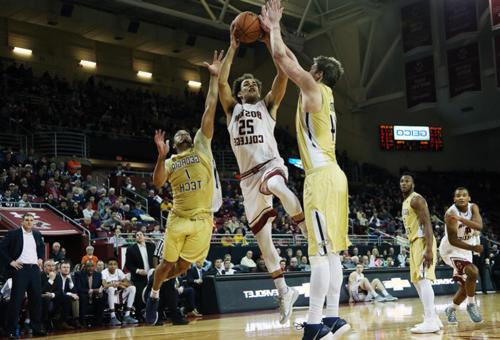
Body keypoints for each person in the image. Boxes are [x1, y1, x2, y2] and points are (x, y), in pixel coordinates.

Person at [260, 1, 350, 338]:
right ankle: (333, 317)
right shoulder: (324, 96)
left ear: (319, 74)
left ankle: (314, 324)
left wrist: (273, 27)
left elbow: (284, 61)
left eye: (310, 68)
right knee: (333, 253)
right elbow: (290, 61)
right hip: (336, 176)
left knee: (319, 255)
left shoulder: (313, 88)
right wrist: (275, 36)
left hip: (322, 179)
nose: (305, 70)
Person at [218, 8, 304, 325]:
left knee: (279, 186)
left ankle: (309, 232)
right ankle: (284, 292)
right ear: (241, 92)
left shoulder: (268, 106)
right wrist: (233, 45)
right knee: (264, 242)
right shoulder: (232, 109)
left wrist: (269, 39)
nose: (253, 84)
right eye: (248, 83)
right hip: (248, 181)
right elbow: (222, 82)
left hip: (271, 165)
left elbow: (283, 74)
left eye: (256, 82)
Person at [145, 50, 224, 324]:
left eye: (183, 132)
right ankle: (153, 295)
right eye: (176, 134)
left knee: (182, 266)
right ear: (174, 143)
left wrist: (214, 78)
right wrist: (159, 156)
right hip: (178, 218)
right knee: (166, 265)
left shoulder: (202, 144)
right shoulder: (170, 160)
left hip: (203, 219)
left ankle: (157, 282)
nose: (181, 133)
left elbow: (210, 107)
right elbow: (156, 184)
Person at [400, 174, 441, 333]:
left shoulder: (417, 199)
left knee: (424, 281)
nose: (404, 183)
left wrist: (429, 249)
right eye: (402, 181)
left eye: (407, 181)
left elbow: (427, 223)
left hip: (423, 241)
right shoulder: (405, 201)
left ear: (413, 184)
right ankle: (433, 318)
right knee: (417, 281)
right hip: (413, 243)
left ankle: (430, 321)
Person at [439, 187, 484, 324]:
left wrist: (462, 220)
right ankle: (471, 304)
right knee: (473, 271)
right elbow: (453, 240)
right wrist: (473, 247)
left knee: (466, 288)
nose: (461, 198)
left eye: (464, 195)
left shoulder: (473, 207)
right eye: (458, 196)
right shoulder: (450, 213)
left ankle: (451, 309)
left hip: (465, 250)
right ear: (454, 199)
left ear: (469, 198)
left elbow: (479, 226)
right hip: (451, 250)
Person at [0, 213, 47, 338]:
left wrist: (41, 258)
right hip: (20, 270)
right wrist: (11, 261)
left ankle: (36, 329)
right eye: (27, 220)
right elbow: (1, 248)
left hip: (34, 270)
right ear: (22, 221)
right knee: (16, 301)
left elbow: (42, 248)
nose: (29, 222)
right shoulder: (13, 233)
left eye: (31, 220)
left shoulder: (37, 234)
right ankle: (10, 330)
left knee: (36, 300)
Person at [125, 231, 155, 314]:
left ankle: (153, 313)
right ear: (135, 238)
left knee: (153, 295)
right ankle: (139, 314)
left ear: (144, 236)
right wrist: (138, 270)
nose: (139, 236)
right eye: (137, 235)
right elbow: (128, 265)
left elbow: (156, 259)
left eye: (140, 234)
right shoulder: (131, 249)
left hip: (152, 276)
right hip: (138, 277)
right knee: (139, 296)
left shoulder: (151, 246)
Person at [101, 258, 138, 326]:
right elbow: (105, 285)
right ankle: (113, 317)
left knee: (133, 288)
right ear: (107, 265)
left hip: (118, 295)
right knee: (111, 288)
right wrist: (114, 284)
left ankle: (127, 315)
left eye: (114, 264)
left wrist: (119, 283)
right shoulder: (104, 272)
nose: (112, 266)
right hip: (108, 296)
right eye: (110, 264)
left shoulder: (119, 271)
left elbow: (129, 283)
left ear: (117, 265)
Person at [74, 261, 104, 327]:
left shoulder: (98, 274)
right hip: (84, 294)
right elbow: (78, 288)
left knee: (102, 297)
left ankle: (98, 321)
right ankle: (82, 321)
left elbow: (100, 286)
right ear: (84, 267)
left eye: (92, 266)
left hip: (94, 295)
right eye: (88, 266)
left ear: (94, 267)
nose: (90, 268)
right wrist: (91, 291)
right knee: (83, 297)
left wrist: (100, 292)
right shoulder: (78, 274)